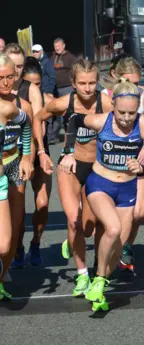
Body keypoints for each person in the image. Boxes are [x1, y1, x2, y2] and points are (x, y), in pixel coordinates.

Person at [64, 79, 144, 311]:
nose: (126, 118)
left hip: (127, 189)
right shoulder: (101, 121)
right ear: (113, 107)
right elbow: (74, 120)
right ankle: (98, 279)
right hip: (100, 184)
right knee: (112, 229)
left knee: (118, 247)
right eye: (121, 112)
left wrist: (141, 168)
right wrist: (68, 152)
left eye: (130, 113)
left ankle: (100, 290)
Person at [33, 59, 112, 297]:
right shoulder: (63, 102)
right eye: (82, 83)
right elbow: (37, 118)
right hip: (69, 167)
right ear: (74, 83)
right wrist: (41, 152)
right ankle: (82, 274)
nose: (88, 88)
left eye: (92, 83)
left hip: (97, 168)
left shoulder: (106, 103)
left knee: (89, 227)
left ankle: (75, 240)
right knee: (73, 221)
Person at [101, 56, 144, 272]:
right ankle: (108, 249)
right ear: (115, 77)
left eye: (136, 83)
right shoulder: (106, 98)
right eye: (128, 82)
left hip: (137, 160)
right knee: (106, 217)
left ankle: (126, 245)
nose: (132, 88)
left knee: (139, 213)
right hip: (110, 162)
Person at [0, 54, 33, 300]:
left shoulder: (22, 105)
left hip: (13, 164)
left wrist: (27, 157)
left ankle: (1, 278)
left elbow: (28, 127)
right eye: (0, 78)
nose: (6, 82)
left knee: (15, 226)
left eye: (10, 76)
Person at [14, 57, 52, 267]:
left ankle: (36, 243)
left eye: (38, 84)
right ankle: (17, 246)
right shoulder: (12, 97)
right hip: (19, 155)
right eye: (30, 84)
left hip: (40, 153)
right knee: (17, 211)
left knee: (43, 203)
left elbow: (42, 127)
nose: (33, 88)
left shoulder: (45, 98)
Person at [51, 38, 77, 145]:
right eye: (55, 46)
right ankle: (53, 136)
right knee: (55, 113)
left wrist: (74, 85)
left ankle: (71, 134)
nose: (57, 48)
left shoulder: (71, 58)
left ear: (64, 45)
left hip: (67, 88)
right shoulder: (53, 57)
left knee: (68, 112)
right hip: (55, 89)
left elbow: (75, 72)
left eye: (59, 46)